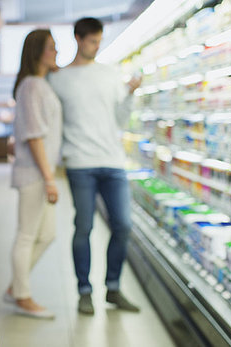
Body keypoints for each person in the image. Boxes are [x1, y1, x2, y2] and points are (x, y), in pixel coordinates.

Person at [47, 17, 142, 315]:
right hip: (80, 162)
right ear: (78, 38)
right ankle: (84, 291)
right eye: (92, 41)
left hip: (113, 161)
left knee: (123, 225)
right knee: (84, 226)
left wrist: (131, 93)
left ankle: (112, 287)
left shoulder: (110, 74)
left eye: (100, 41)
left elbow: (121, 120)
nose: (96, 47)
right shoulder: (58, 79)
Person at [3, 29, 62, 319]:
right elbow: (35, 136)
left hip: (41, 170)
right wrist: (49, 178)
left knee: (47, 234)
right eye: (51, 47)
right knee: (27, 235)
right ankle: (23, 295)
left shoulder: (39, 83)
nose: (56, 52)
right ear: (37, 51)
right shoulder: (31, 86)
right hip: (35, 173)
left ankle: (16, 286)